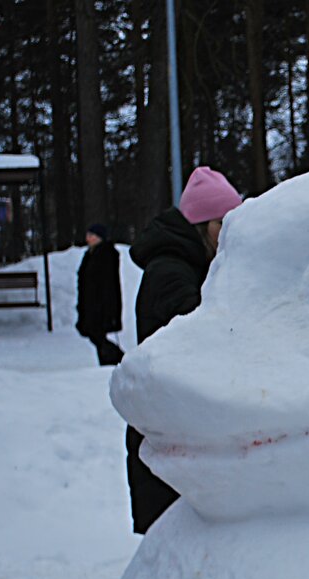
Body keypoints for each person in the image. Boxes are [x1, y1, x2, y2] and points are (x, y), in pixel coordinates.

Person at [125, 166, 243, 534]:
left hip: (175, 429)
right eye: (223, 223)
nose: (229, 233)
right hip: (168, 433)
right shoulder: (171, 273)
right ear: (202, 225)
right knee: (174, 550)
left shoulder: (188, 266)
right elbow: (203, 340)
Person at [75, 223, 124, 366]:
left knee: (97, 333)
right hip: (90, 302)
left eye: (92, 236)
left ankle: (118, 359)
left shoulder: (105, 254)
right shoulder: (90, 254)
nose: (88, 238)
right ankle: (113, 359)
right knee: (94, 334)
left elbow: (108, 284)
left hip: (100, 304)